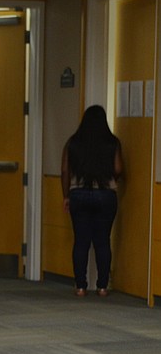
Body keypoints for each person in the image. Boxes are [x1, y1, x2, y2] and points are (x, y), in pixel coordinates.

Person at [60, 105, 123, 297]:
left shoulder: (73, 143)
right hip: (105, 194)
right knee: (102, 241)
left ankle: (80, 286)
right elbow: (118, 169)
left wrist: (66, 196)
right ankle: (102, 286)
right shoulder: (112, 142)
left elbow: (64, 171)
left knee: (81, 242)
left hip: (78, 194)